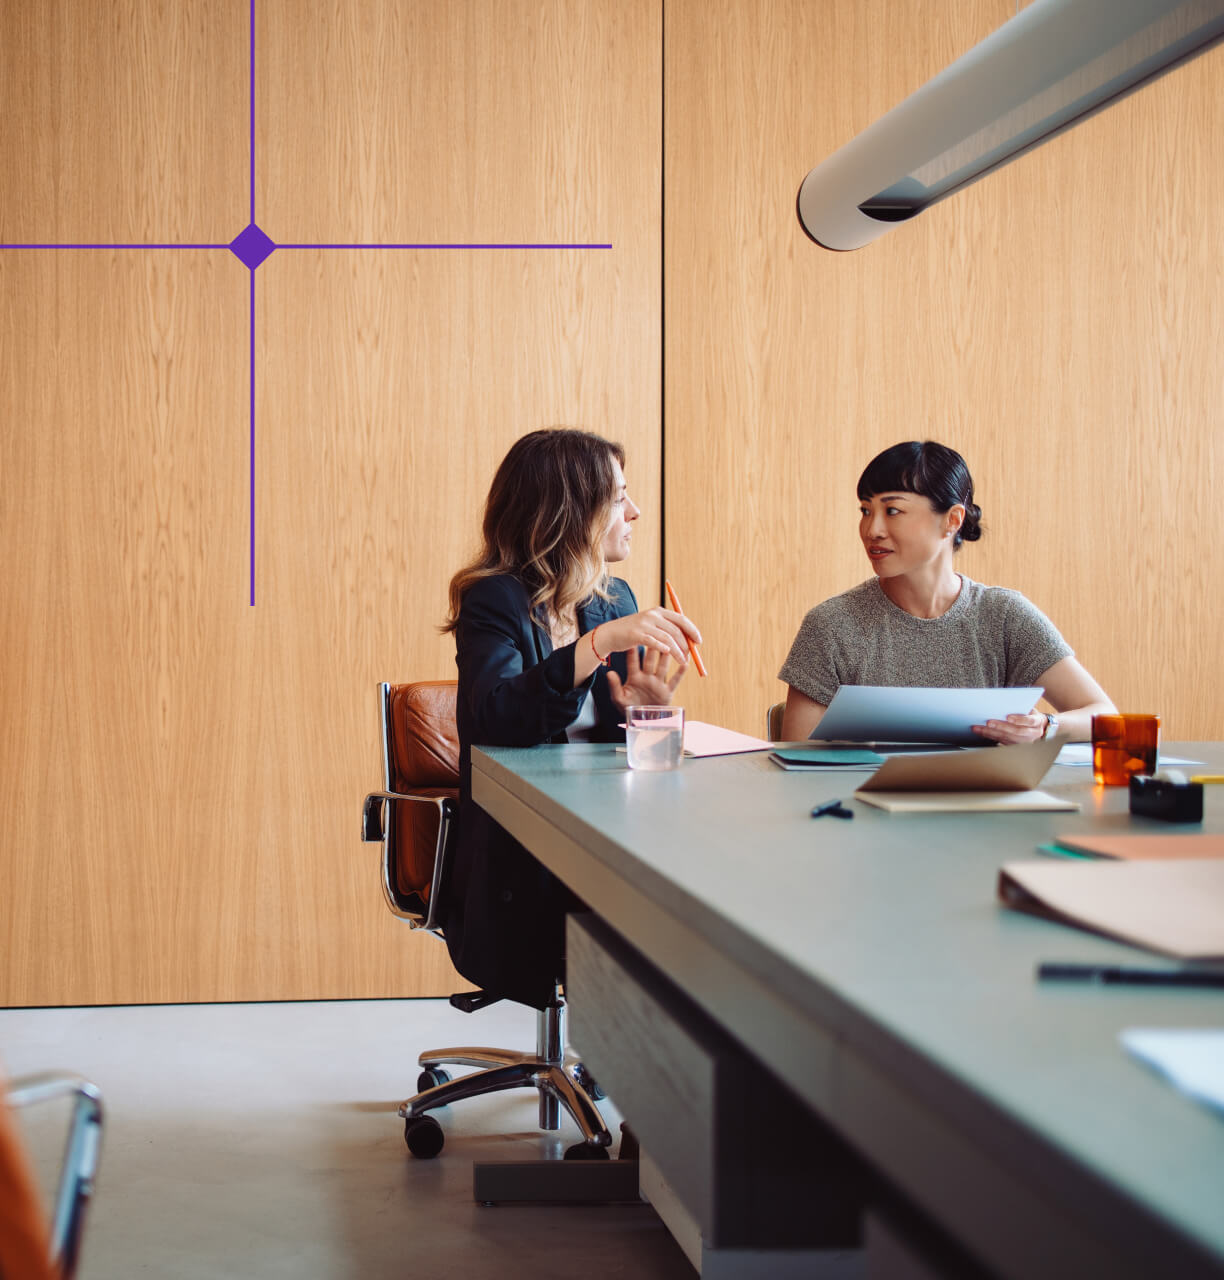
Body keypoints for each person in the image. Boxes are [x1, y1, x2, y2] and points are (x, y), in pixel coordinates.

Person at [440, 428, 700, 1008]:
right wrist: (594, 646)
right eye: (618, 499)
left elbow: (623, 753)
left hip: (605, 831)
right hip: (523, 844)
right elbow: (494, 719)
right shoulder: (494, 599)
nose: (634, 512)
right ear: (569, 511)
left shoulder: (615, 599)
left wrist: (645, 714)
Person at [779, 440, 1115, 743]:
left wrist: (1045, 727)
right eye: (866, 511)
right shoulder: (830, 625)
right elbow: (797, 760)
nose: (872, 529)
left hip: (986, 808)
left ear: (952, 520)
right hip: (862, 807)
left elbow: (1104, 715)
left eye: (892, 510)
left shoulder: (1005, 616)